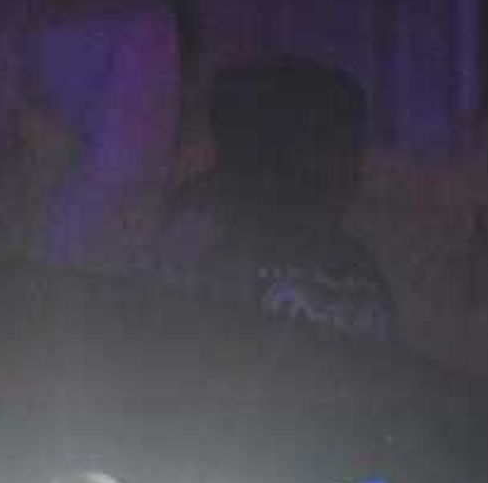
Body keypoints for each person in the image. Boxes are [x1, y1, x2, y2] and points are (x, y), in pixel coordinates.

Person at [152, 56, 399, 343]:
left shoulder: (354, 271)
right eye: (327, 147)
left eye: (350, 151)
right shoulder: (199, 240)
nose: (353, 171)